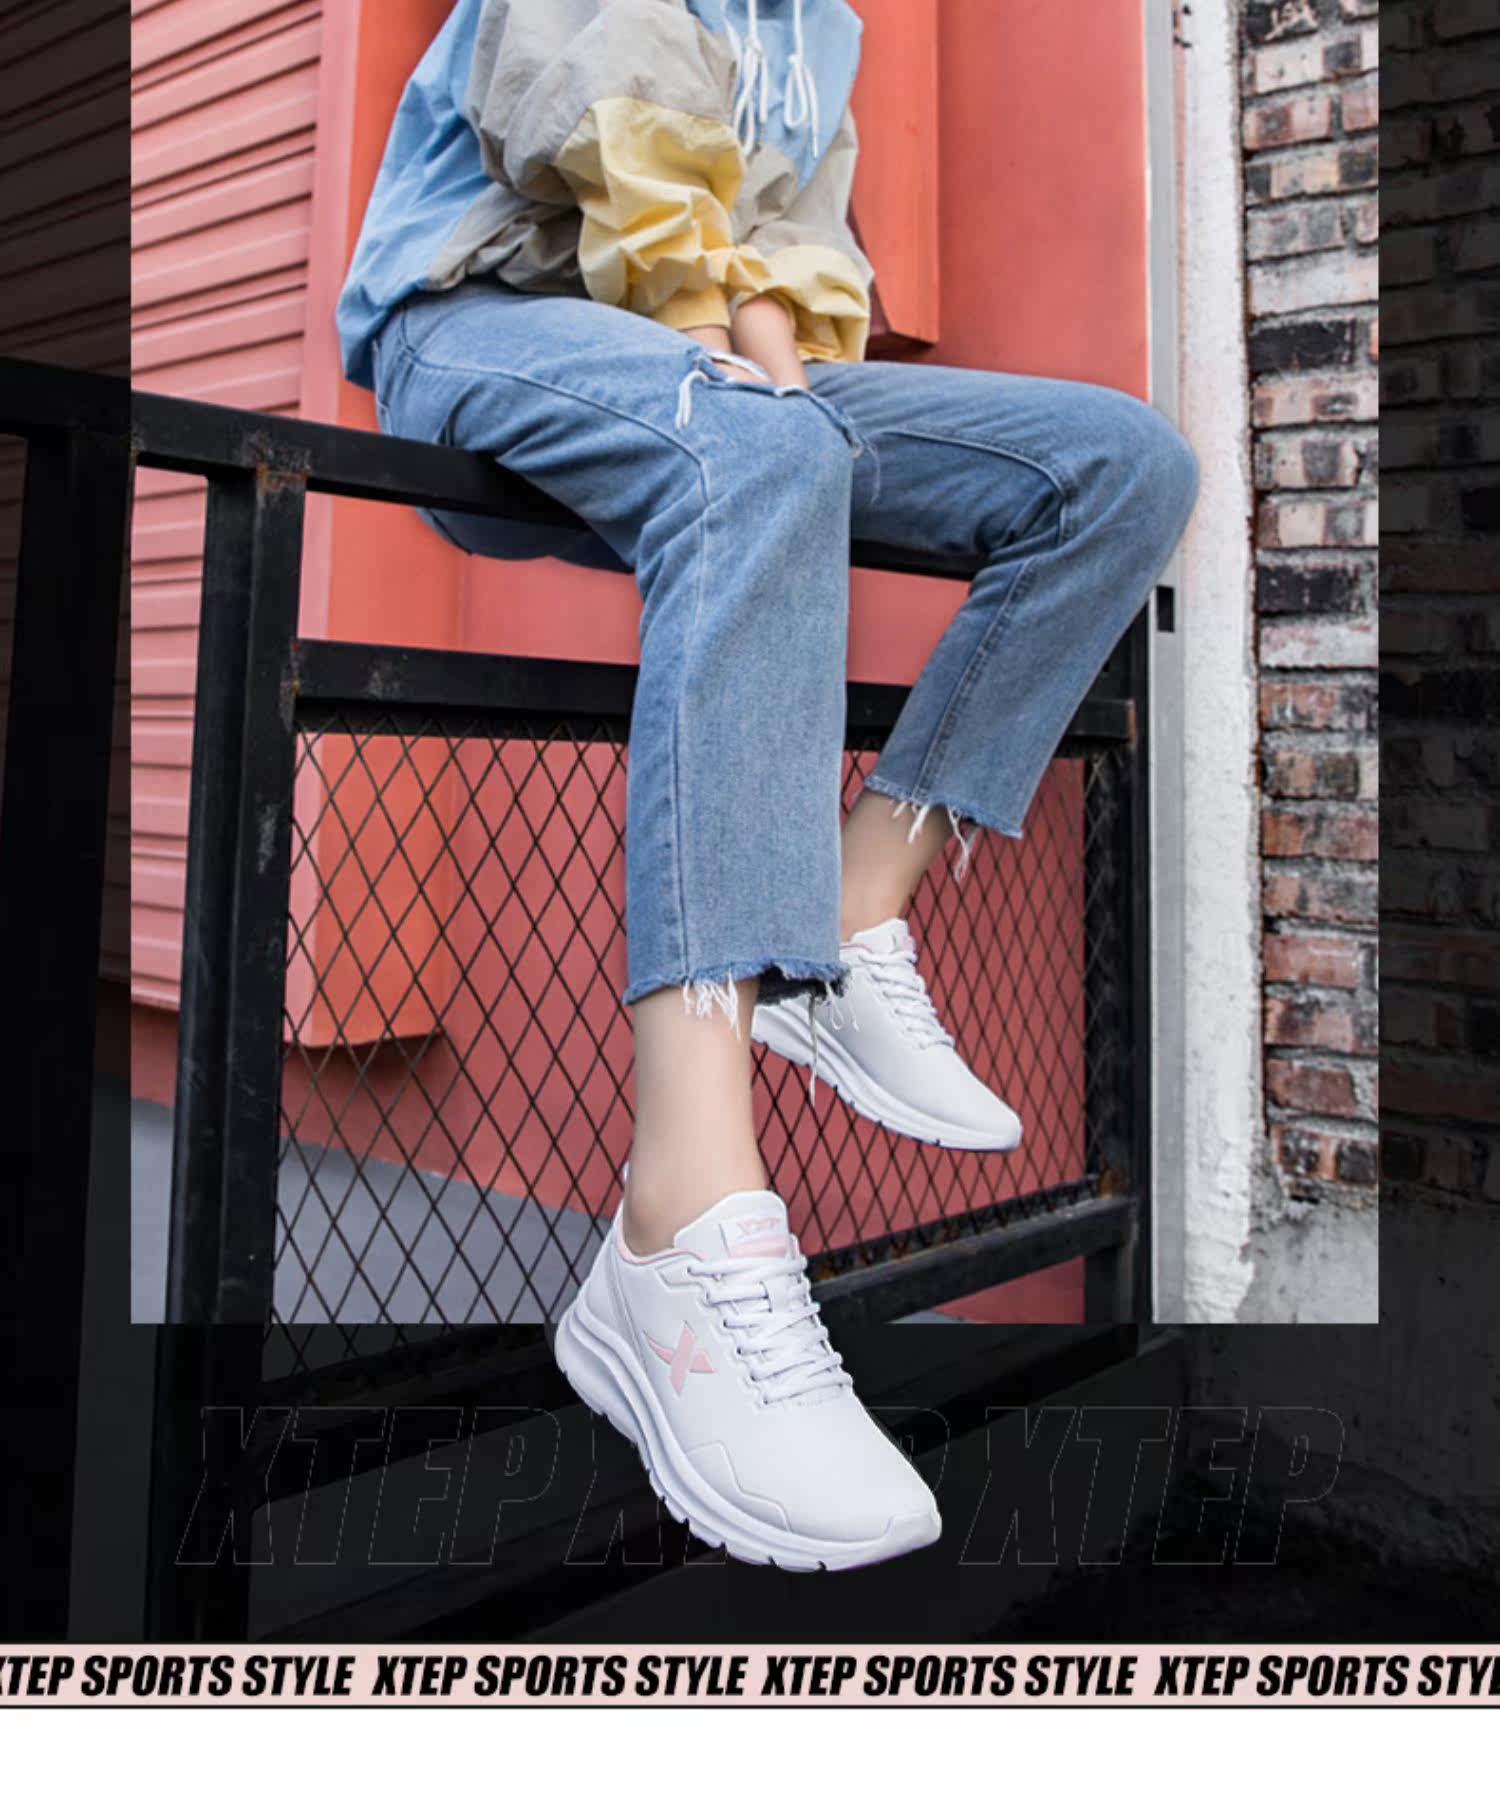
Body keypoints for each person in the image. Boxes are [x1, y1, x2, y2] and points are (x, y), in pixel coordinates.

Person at [338, 0, 1198, 1571]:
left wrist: (787, 379)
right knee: (760, 450)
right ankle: (678, 1226)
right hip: (479, 322)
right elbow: (600, 115)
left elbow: (796, 249)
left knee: (1122, 468)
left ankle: (852, 916)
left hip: (711, 370)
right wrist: (766, 396)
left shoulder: (831, 29)